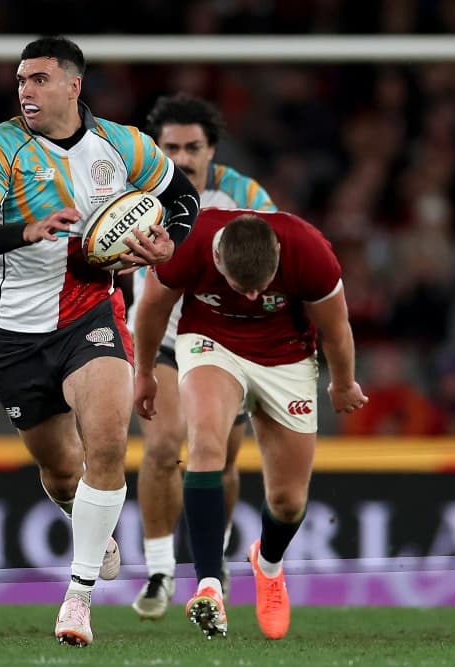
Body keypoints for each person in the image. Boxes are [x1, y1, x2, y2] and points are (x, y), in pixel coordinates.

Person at [0, 36, 200, 647]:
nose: (25, 91)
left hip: (92, 315)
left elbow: (182, 196)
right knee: (62, 471)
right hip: (14, 331)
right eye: (20, 81)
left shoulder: (124, 145)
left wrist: (172, 239)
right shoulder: (0, 146)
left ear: (72, 85)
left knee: (108, 443)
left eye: (37, 79)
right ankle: (85, 517)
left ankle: (78, 597)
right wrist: (22, 228)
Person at [133, 210, 368, 640]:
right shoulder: (189, 243)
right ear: (218, 259)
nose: (256, 296)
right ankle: (208, 586)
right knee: (206, 444)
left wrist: (343, 382)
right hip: (212, 343)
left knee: (288, 502)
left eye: (264, 285)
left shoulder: (308, 249)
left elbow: (336, 328)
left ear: (277, 254)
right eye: (245, 289)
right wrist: (144, 373)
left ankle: (269, 565)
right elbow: (150, 309)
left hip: (288, 356)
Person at [127, 93, 276, 620]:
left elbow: (270, 262)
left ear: (212, 149)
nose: (184, 158)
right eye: (172, 147)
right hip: (162, 335)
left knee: (222, 458)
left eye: (193, 147)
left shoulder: (243, 195)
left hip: (225, 340)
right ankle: (160, 571)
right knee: (166, 443)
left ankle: (216, 557)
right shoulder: (138, 190)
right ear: (157, 149)